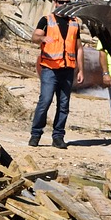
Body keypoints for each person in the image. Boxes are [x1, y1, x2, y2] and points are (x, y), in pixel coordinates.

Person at [28, 8, 82, 147]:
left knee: (64, 105)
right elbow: (34, 38)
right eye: (61, 2)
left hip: (67, 69)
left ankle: (58, 136)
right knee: (45, 101)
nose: (64, 5)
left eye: (66, 2)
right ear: (56, 3)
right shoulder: (46, 20)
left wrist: (81, 69)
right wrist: (42, 38)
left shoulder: (74, 22)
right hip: (50, 69)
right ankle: (36, 134)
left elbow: (79, 48)